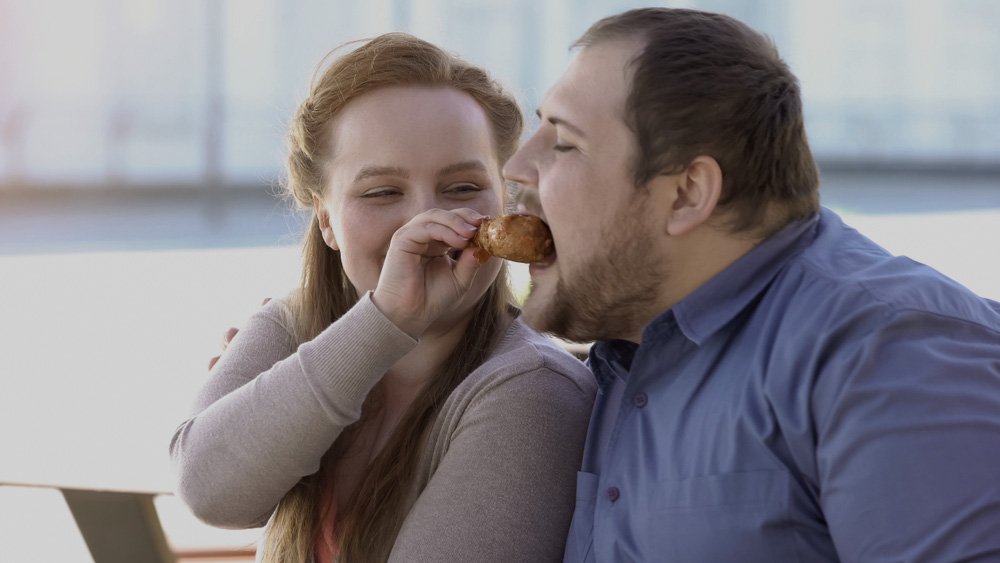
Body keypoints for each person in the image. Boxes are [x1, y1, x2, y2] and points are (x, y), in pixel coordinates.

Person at [501, 7, 1000, 562]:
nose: (517, 166)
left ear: (688, 194)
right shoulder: (624, 352)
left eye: (564, 143)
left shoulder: (890, 355)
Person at [170, 33, 595, 563]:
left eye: (462, 188)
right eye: (382, 192)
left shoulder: (534, 391)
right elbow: (210, 494)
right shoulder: (290, 325)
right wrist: (383, 322)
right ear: (326, 220)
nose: (428, 223)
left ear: (503, 204)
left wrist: (393, 314)